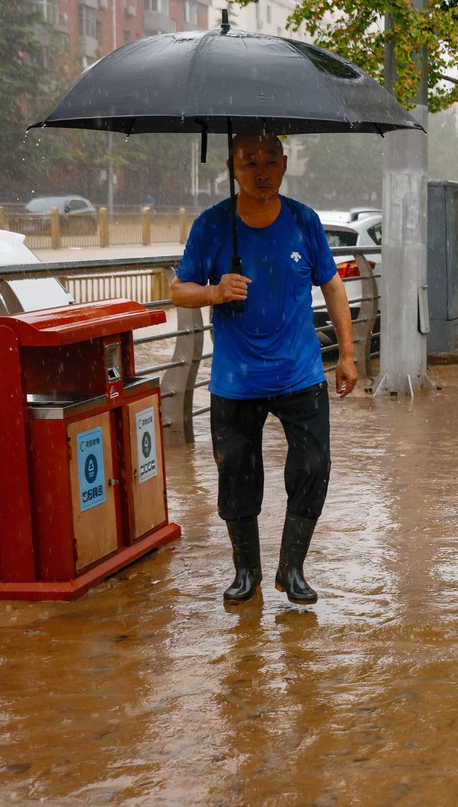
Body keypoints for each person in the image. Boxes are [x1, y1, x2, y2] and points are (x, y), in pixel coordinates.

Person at [169, 130, 358, 605]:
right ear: (232, 168)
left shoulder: (303, 221)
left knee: (313, 466)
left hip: (300, 373)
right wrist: (213, 291)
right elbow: (178, 290)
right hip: (236, 380)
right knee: (237, 472)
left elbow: (333, 287)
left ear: (285, 164)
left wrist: (348, 355)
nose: (261, 170)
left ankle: (291, 569)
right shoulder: (212, 225)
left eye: (270, 159)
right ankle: (246, 572)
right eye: (249, 161)